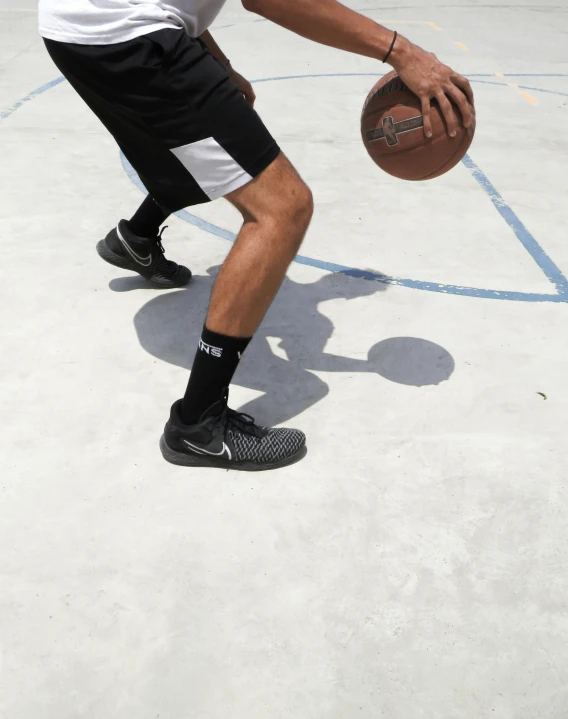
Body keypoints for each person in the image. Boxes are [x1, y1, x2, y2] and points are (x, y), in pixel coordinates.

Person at [38, 0, 475, 471]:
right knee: (282, 208)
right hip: (129, 35)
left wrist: (219, 67)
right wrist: (401, 52)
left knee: (203, 153)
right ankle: (197, 425)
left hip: (75, 29)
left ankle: (136, 238)